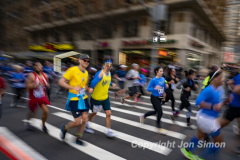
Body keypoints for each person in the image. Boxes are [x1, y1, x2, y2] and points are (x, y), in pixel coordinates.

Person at [181, 70, 226, 160]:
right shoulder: (209, 89)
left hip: (207, 118)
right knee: (219, 142)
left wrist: (220, 106)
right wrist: (213, 106)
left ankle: (187, 150)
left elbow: (217, 104)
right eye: (221, 78)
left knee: (199, 136)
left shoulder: (218, 90)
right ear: (214, 79)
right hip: (207, 119)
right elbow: (198, 102)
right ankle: (202, 157)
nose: (223, 80)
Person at [59, 54, 92, 145]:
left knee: (85, 120)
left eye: (88, 61)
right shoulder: (72, 70)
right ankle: (65, 128)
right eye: (84, 60)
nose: (86, 62)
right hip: (74, 99)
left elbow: (82, 85)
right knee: (77, 122)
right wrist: (72, 87)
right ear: (79, 60)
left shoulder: (86, 72)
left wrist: (88, 88)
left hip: (83, 98)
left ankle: (78, 138)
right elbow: (61, 82)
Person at [88, 59, 117, 138]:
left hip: (105, 98)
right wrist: (98, 78)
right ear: (104, 65)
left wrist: (112, 84)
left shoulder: (109, 73)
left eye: (110, 65)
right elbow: (92, 84)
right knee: (94, 113)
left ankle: (108, 131)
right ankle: (86, 123)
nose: (109, 67)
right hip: (97, 98)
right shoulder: (100, 73)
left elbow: (107, 81)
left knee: (109, 113)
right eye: (107, 65)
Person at [139, 67, 169, 135]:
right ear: (156, 72)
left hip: (160, 97)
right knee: (160, 112)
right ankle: (159, 128)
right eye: (160, 71)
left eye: (162, 71)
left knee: (156, 112)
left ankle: (143, 116)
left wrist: (166, 86)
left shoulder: (163, 79)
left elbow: (164, 86)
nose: (162, 72)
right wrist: (154, 88)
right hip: (154, 98)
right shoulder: (153, 80)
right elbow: (148, 89)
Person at [25, 62, 50, 133]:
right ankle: (28, 122)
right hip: (33, 96)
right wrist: (36, 85)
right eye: (38, 66)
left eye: (41, 66)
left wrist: (47, 85)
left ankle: (43, 125)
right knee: (33, 111)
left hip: (42, 96)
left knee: (46, 111)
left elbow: (46, 84)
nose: (40, 68)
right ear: (34, 67)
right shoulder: (31, 75)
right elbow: (27, 86)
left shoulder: (45, 75)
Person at [220, 71, 240, 153]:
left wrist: (233, 89)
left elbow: (229, 82)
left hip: (236, 105)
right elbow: (237, 89)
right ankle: (207, 132)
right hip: (235, 106)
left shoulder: (238, 75)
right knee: (223, 123)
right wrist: (234, 90)